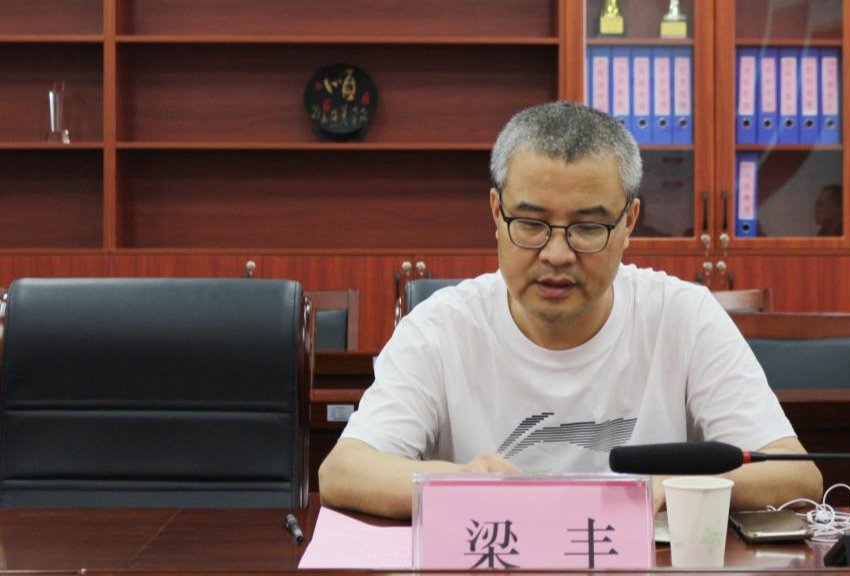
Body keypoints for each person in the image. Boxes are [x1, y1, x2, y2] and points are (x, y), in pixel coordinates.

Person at [319, 101, 822, 519]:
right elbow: (343, 471)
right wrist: (461, 483)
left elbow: (796, 475)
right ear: (496, 213)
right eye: (531, 224)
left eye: (587, 228)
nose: (556, 254)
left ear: (629, 222)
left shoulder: (683, 316)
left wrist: (676, 485)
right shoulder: (441, 327)